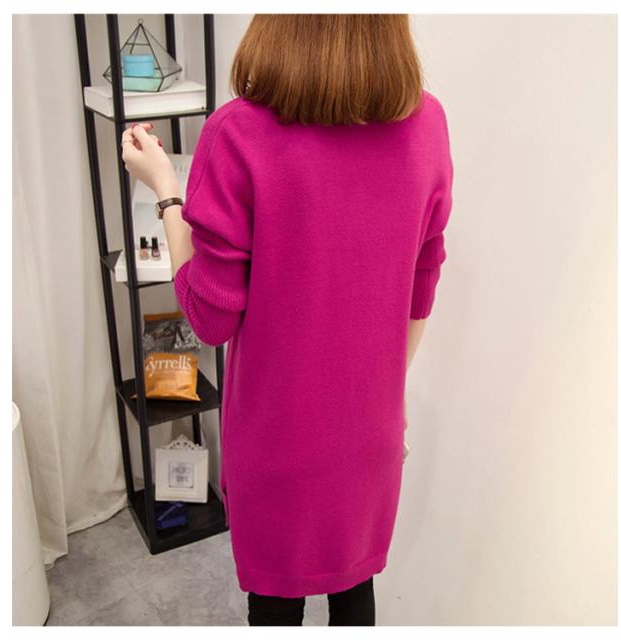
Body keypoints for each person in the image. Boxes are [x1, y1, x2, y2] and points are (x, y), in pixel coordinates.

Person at [121, 14, 453, 626]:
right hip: (370, 433)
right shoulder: (427, 123)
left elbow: (209, 317)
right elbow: (422, 284)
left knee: (275, 604)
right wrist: (386, 398)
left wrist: (165, 188)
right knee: (354, 588)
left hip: (276, 438)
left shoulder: (238, 133)